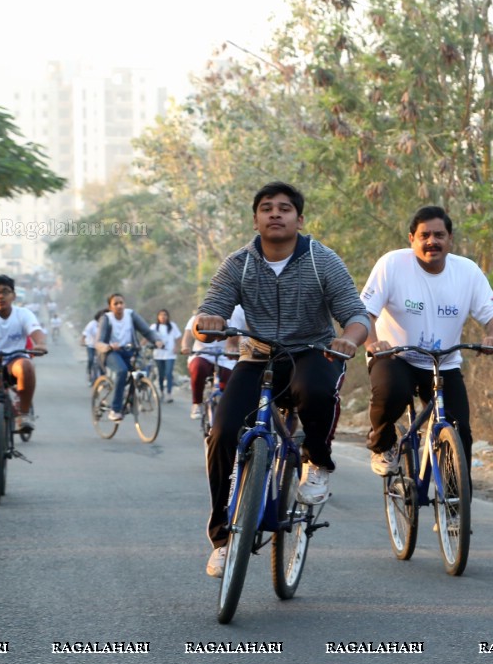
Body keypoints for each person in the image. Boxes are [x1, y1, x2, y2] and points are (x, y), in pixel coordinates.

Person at [194, 181, 369, 578]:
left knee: (315, 390)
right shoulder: (238, 263)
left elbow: (356, 314)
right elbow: (212, 309)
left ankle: (318, 461)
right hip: (258, 356)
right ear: (255, 219)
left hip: (313, 352)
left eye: (285, 208)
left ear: (299, 219)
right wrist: (208, 323)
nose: (276, 213)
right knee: (221, 432)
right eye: (267, 208)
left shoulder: (321, 260)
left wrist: (348, 339)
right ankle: (222, 539)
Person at [359, 205, 493, 478]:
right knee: (392, 393)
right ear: (411, 239)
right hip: (395, 357)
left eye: (439, 235)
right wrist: (373, 343)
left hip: (444, 363)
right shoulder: (391, 264)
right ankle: (383, 443)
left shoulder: (467, 272)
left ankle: (454, 513)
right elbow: (365, 312)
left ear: (450, 239)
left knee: (460, 431)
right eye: (424, 235)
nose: (432, 241)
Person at [0, 275, 47, 431]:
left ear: (13, 295)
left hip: (12, 363)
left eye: (5, 291)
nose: (0, 296)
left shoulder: (23, 314)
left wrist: (40, 344)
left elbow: (36, 332)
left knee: (26, 365)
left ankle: (24, 413)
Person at [95, 294, 163, 422]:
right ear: (110, 306)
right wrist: (109, 346)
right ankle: (115, 409)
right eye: (116, 304)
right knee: (122, 371)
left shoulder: (131, 315)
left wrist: (157, 340)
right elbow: (98, 342)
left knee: (140, 371)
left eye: (121, 303)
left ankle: (131, 398)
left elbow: (146, 331)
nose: (119, 306)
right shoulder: (106, 319)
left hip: (130, 350)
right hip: (111, 352)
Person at [181, 307, 243, 419]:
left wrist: (234, 348)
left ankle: (225, 412)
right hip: (203, 354)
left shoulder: (236, 315)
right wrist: (185, 347)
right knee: (198, 367)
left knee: (230, 382)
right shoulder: (201, 316)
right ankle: (197, 403)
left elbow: (238, 336)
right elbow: (188, 335)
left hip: (225, 357)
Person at [150, 309, 182, 403]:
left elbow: (178, 337)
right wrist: (141, 345)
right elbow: (147, 336)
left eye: (165, 315)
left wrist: (177, 347)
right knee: (161, 374)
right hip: (158, 354)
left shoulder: (172, 326)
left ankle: (169, 393)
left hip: (170, 354)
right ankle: (161, 392)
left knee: (168, 373)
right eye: (161, 315)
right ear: (158, 317)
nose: (163, 317)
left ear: (168, 317)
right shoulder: (154, 327)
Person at [81, 308, 107, 383]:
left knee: (103, 362)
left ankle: (103, 377)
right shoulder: (92, 324)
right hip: (91, 345)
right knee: (91, 359)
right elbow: (85, 333)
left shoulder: (106, 324)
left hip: (101, 347)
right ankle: (89, 373)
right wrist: (83, 341)